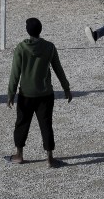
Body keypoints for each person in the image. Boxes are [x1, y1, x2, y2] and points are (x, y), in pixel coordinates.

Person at [7, 17, 73, 168]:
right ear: (40, 30)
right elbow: (58, 69)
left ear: (27, 31)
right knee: (46, 124)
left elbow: (15, 73)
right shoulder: (49, 47)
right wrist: (66, 88)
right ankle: (49, 158)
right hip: (45, 94)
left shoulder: (21, 48)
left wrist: (11, 93)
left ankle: (19, 155)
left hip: (26, 95)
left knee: (22, 123)